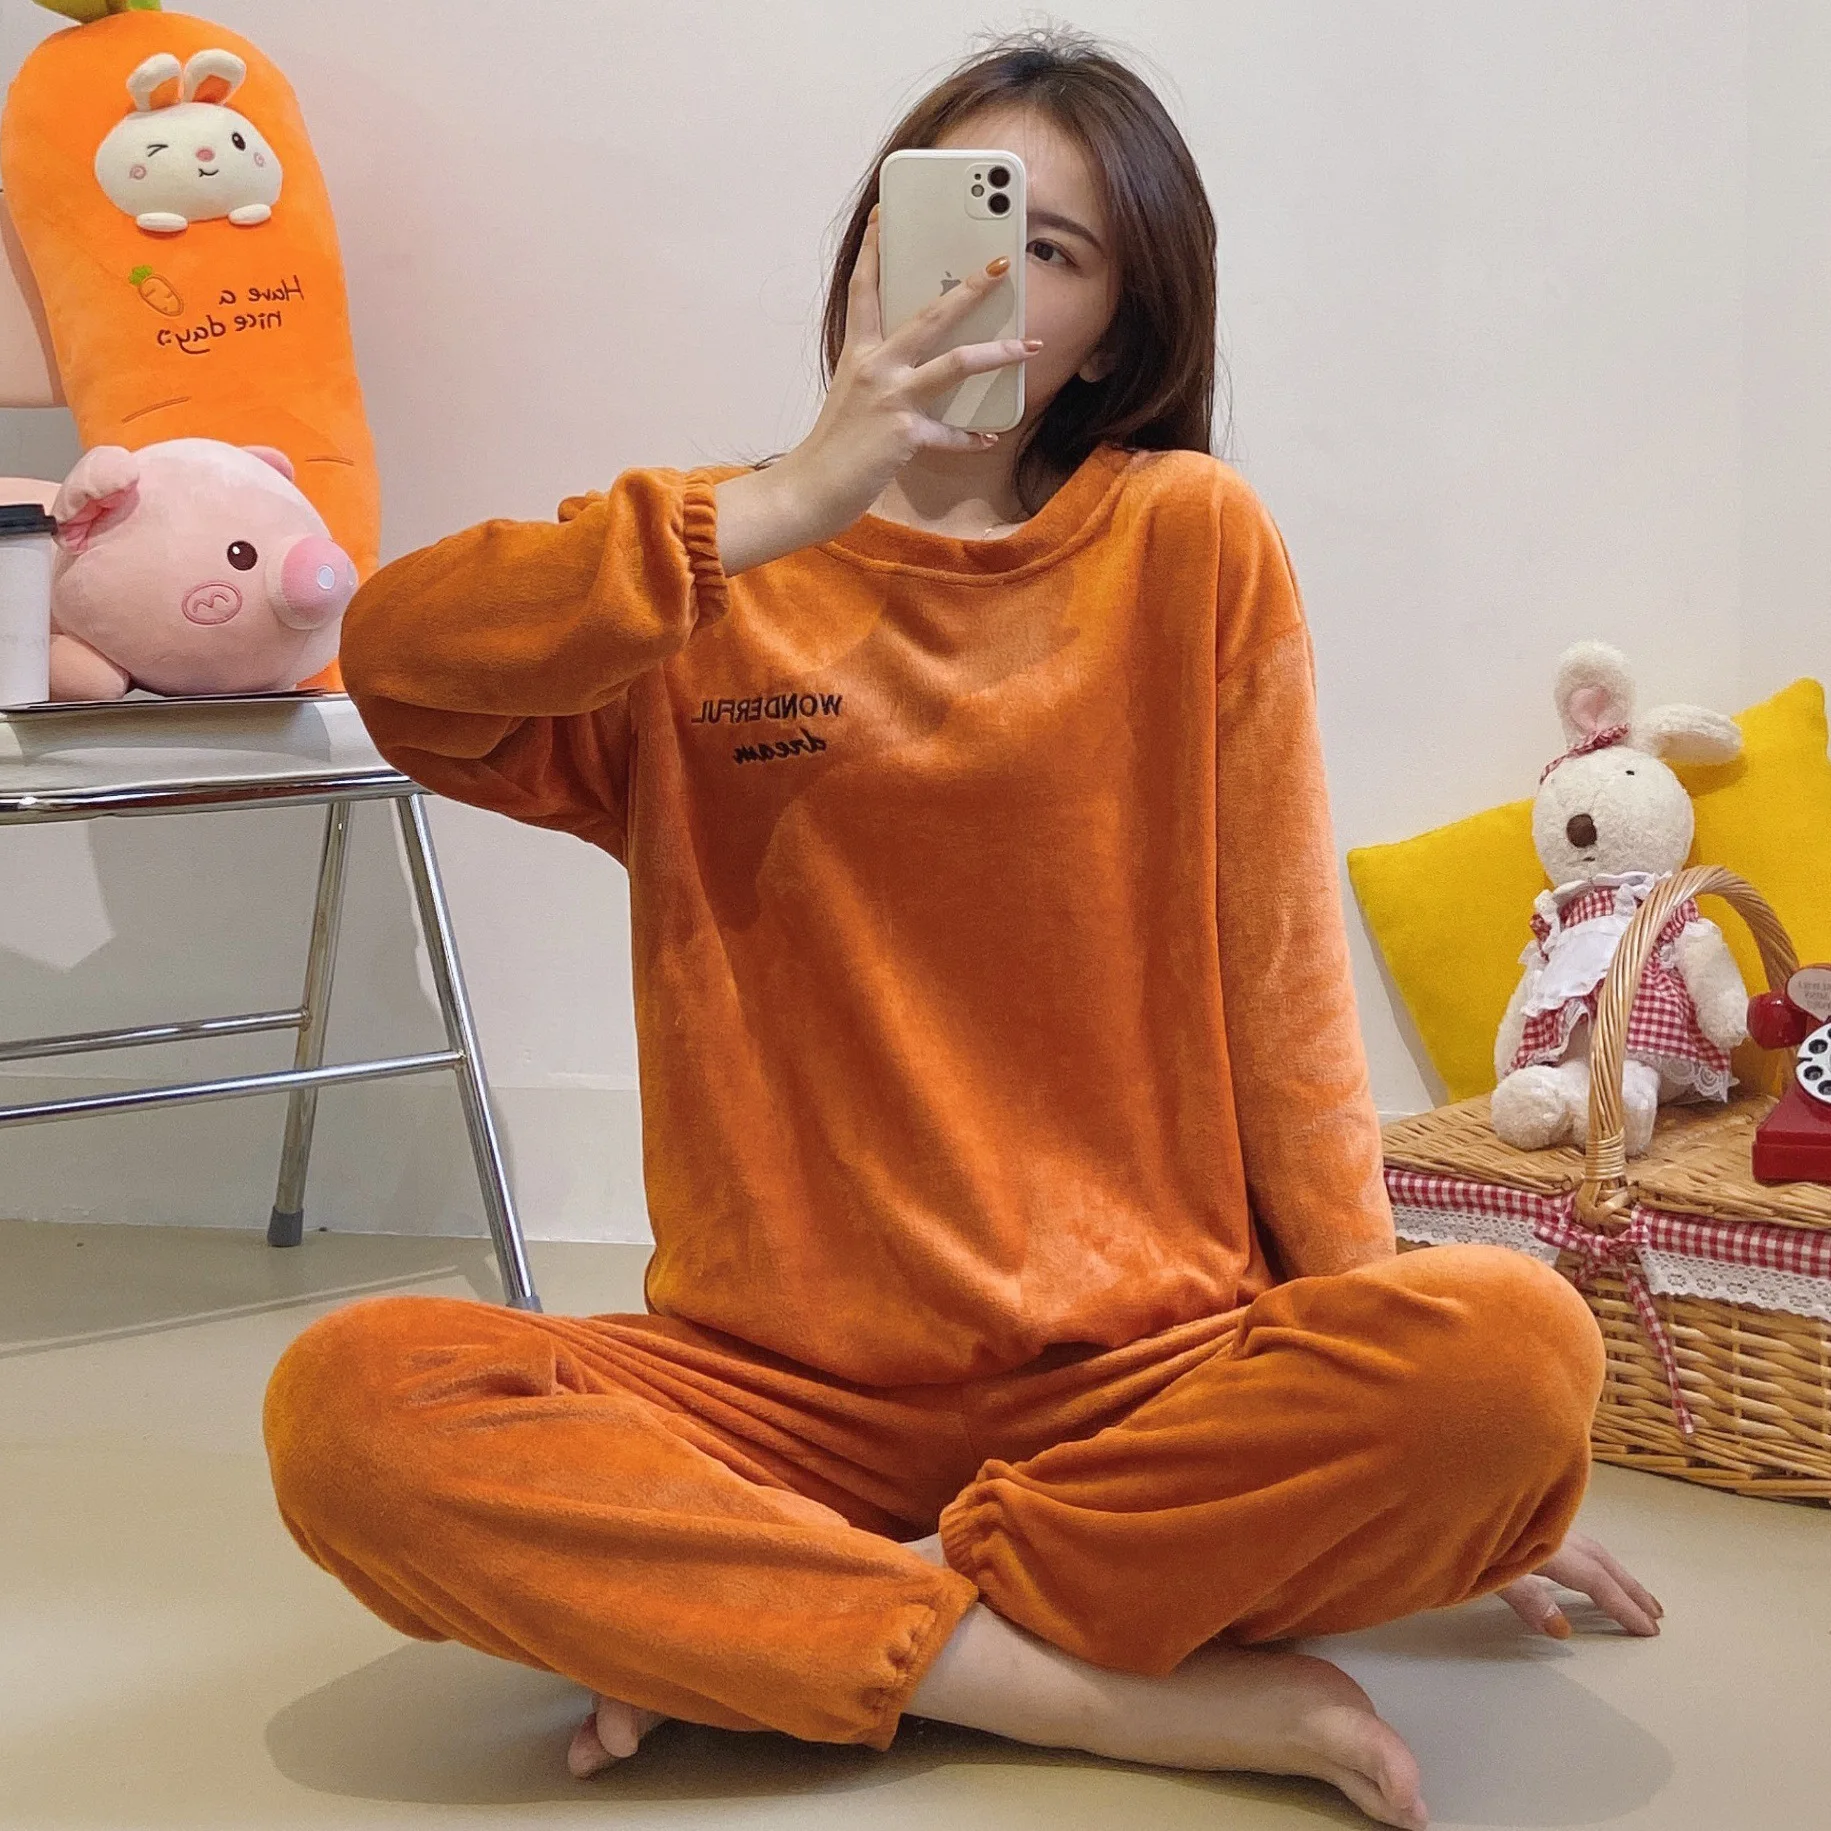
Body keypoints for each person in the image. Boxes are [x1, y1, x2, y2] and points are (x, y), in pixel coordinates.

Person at [261, 28, 1661, 1831]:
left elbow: (1286, 1002)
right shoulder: (700, 571)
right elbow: (397, 669)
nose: (977, 277)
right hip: (769, 1402)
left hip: (1147, 1387)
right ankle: (1071, 1684)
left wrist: (1433, 1440)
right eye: (945, 214)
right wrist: (779, 506)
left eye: (1051, 248)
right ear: (871, 239)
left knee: (1514, 1349)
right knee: (352, 1406)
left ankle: (798, 1620)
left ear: (1115, 334)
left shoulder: (1185, 540)